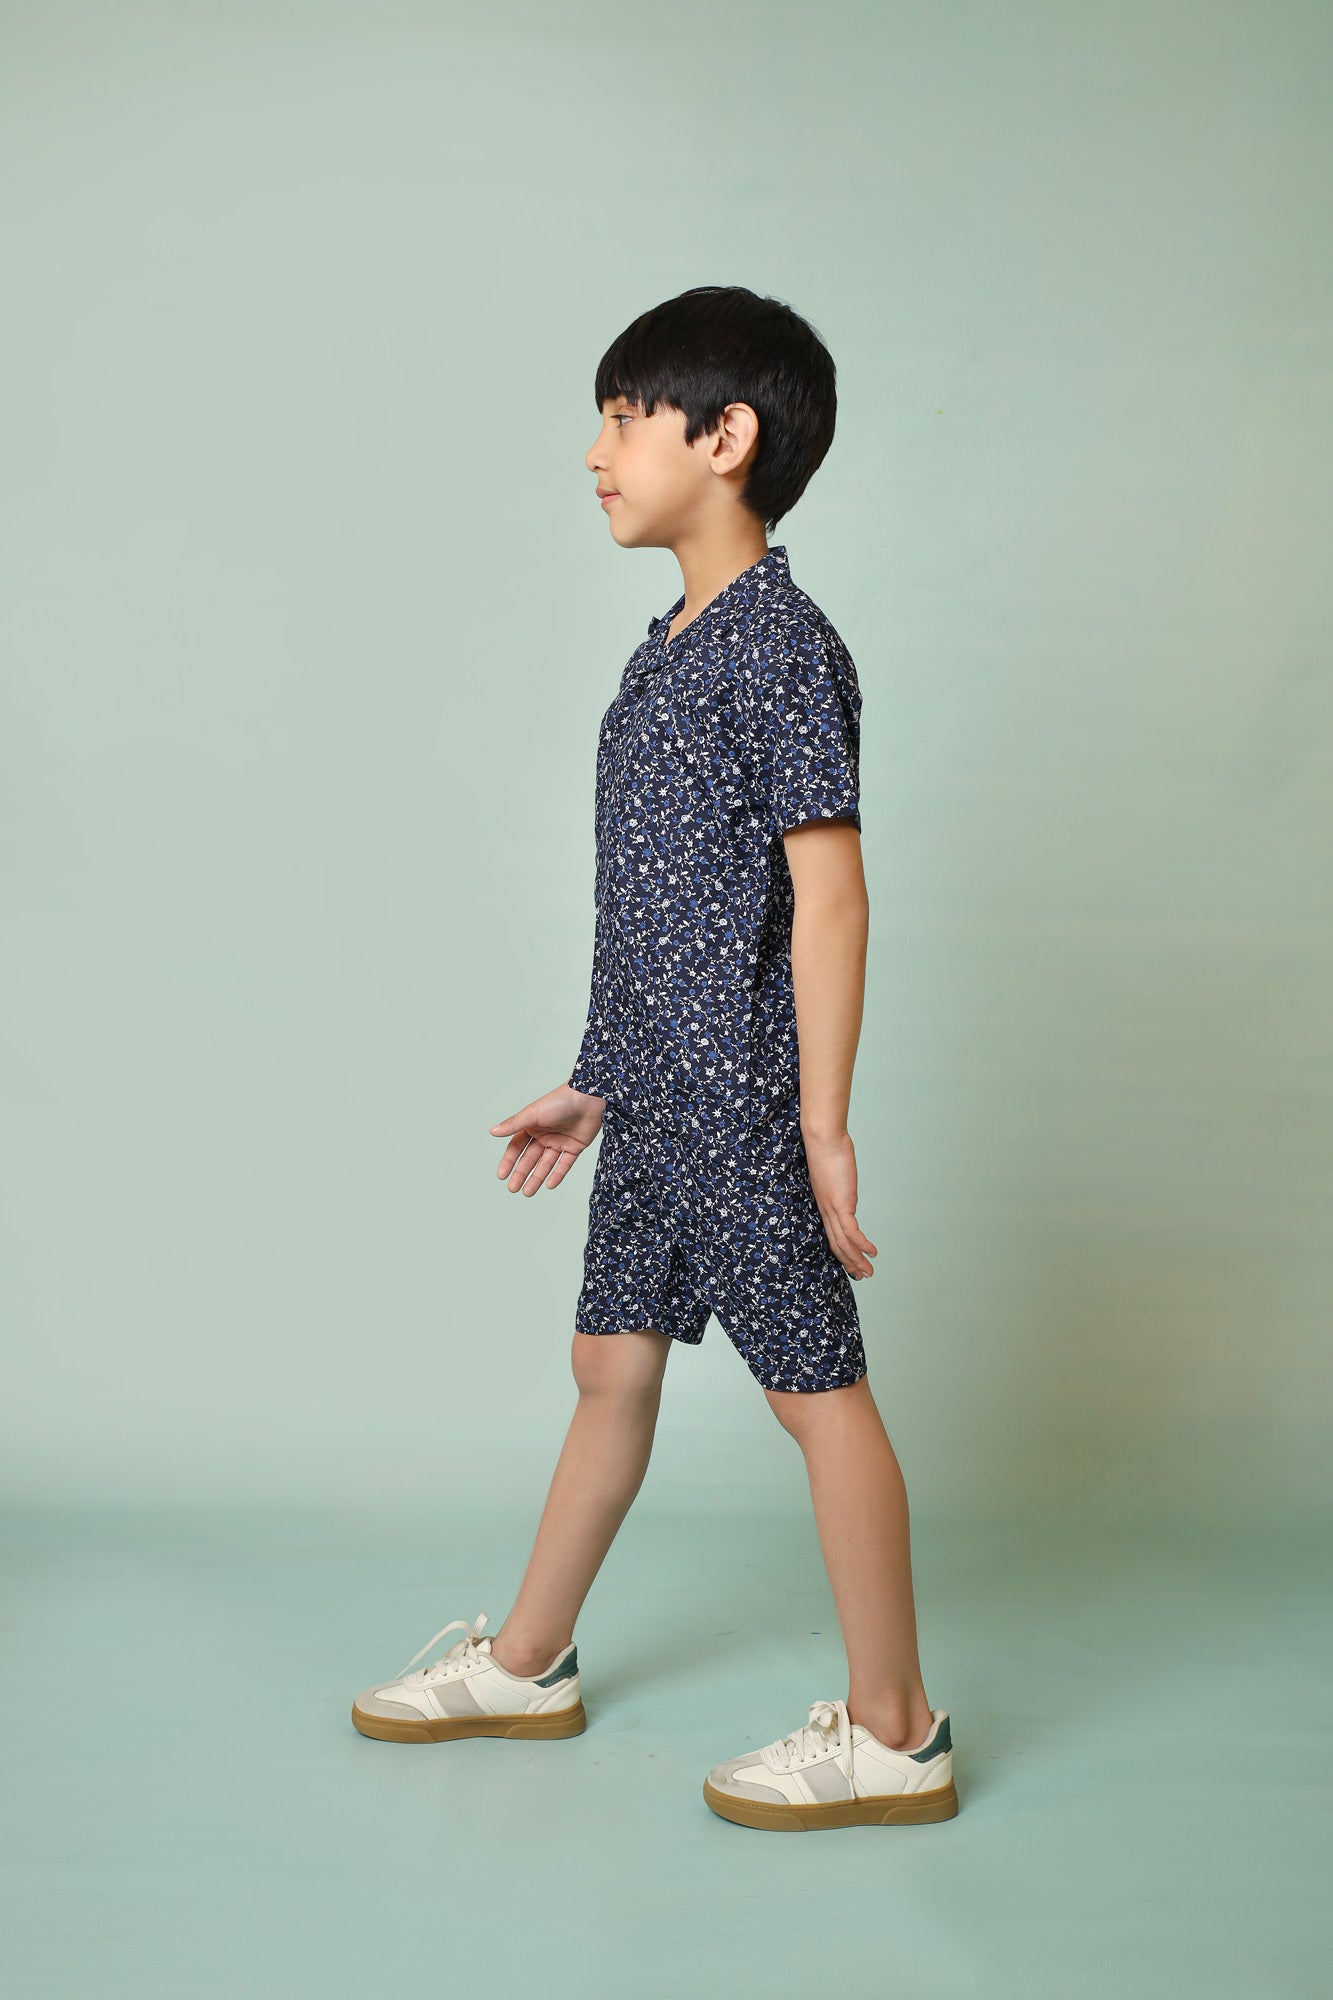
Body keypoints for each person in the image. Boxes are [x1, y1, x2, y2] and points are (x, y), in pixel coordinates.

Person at [351, 285, 957, 1831]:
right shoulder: (663, 650)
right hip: (651, 1101)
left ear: (724, 435)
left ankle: (895, 1731)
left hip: (742, 1106)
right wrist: (598, 1078)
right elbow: (665, 904)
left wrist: (819, 1122)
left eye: (624, 419)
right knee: (608, 1366)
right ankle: (527, 1662)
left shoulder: (782, 649)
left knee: (816, 1393)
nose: (595, 452)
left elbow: (829, 896)